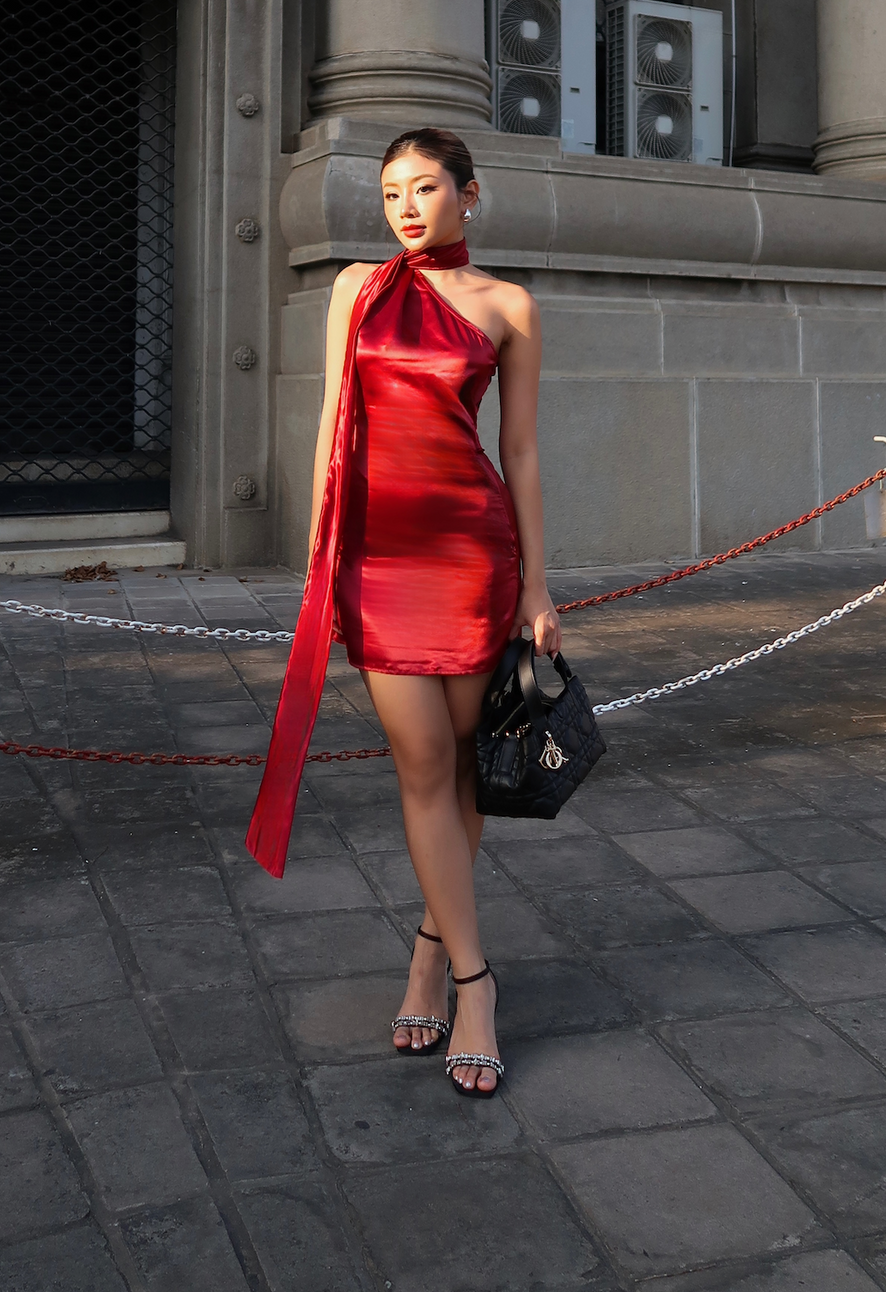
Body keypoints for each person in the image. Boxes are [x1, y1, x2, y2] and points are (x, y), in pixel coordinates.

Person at [247, 127, 561, 1097]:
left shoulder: (508, 306)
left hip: (470, 556)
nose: (407, 209)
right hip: (378, 562)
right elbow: (330, 428)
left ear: (472, 195)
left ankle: (429, 949)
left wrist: (539, 586)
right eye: (391, 194)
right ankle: (475, 981)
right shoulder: (354, 290)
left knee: (461, 769)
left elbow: (520, 454)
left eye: (425, 189)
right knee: (421, 766)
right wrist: (317, 555)